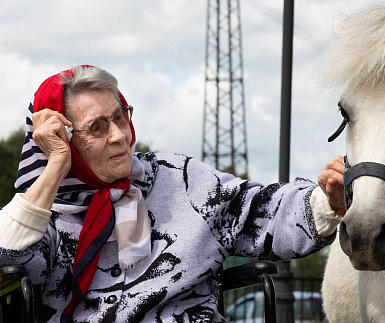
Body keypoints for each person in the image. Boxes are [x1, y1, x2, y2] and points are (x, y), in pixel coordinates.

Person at [0, 65, 344, 322]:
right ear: (63, 138)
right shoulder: (43, 212)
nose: (119, 135)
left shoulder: (181, 180)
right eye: (97, 127)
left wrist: (328, 200)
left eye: (120, 116)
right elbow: (5, 261)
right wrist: (56, 166)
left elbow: (263, 211)